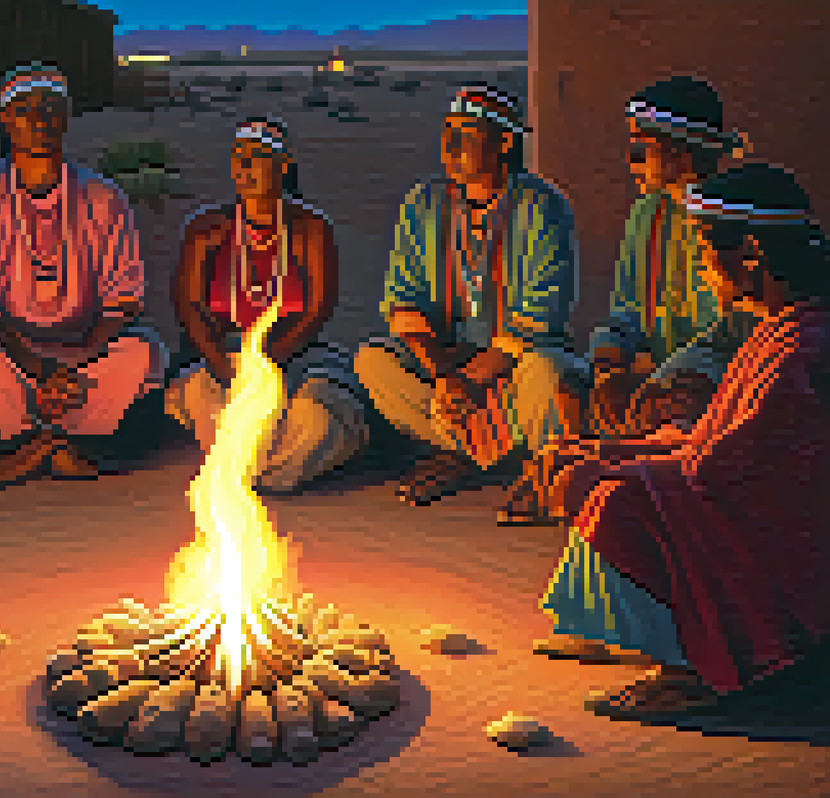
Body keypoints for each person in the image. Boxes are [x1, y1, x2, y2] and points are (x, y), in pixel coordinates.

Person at [529, 163, 830, 718]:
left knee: (615, 499)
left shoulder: (799, 349)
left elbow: (717, 469)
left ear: (752, 254)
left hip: (785, 551)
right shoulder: (778, 329)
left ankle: (696, 672)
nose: (702, 269)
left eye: (707, 252)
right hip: (739, 502)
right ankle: (631, 637)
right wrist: (604, 451)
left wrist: (609, 464)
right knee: (598, 472)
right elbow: (708, 443)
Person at [0, 62, 168, 496]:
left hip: (86, 354)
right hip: (10, 355)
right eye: (24, 109)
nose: (39, 119)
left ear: (66, 116)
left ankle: (49, 446)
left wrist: (74, 361)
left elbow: (123, 298)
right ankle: (46, 447)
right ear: (4, 121)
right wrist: (38, 367)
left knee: (143, 353)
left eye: (50, 107)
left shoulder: (104, 197)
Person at [354, 83, 585, 506]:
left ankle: (483, 459)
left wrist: (470, 379)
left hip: (514, 363)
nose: (450, 146)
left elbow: (540, 317)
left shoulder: (542, 206)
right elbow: (403, 300)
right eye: (447, 133)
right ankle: (478, 454)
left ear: (504, 143)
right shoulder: (423, 203)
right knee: (372, 362)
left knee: (547, 374)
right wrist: (445, 375)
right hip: (447, 363)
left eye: (467, 135)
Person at [166, 116, 368, 492]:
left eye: (258, 157)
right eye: (238, 157)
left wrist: (266, 365)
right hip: (224, 360)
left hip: (297, 357)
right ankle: (258, 472)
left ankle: (250, 476)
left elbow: (317, 310)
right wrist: (221, 363)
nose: (245, 167)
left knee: (318, 414)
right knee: (201, 397)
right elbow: (189, 306)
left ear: (284, 165)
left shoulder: (311, 228)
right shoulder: (206, 229)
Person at [582, 76, 755, 442]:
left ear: (681, 152)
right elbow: (627, 310)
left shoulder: (735, 214)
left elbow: (739, 326)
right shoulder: (647, 214)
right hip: (657, 374)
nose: (630, 161)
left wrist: (663, 375)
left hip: (722, 374)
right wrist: (608, 363)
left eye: (640, 149)